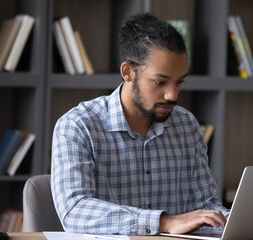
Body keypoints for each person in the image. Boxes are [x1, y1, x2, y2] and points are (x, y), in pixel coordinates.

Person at [51, 13, 229, 236]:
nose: (172, 94)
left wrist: (233, 221)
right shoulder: (78, 126)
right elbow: (75, 211)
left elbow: (206, 206)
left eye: (179, 82)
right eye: (160, 82)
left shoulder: (187, 126)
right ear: (128, 72)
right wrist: (164, 222)